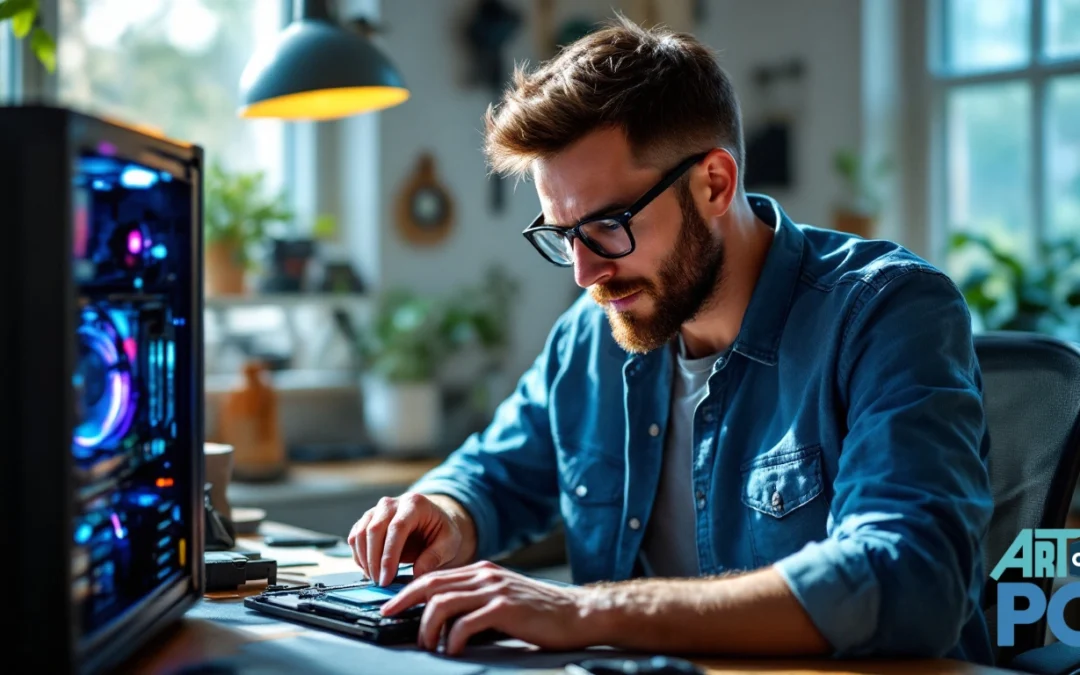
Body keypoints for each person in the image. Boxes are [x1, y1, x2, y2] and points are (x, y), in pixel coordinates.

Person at [348, 15, 994, 663]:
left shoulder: (887, 311)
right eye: (563, 233)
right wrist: (442, 508)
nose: (586, 271)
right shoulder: (594, 335)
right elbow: (496, 470)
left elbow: (911, 577)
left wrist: (583, 609)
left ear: (714, 182)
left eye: (608, 224)